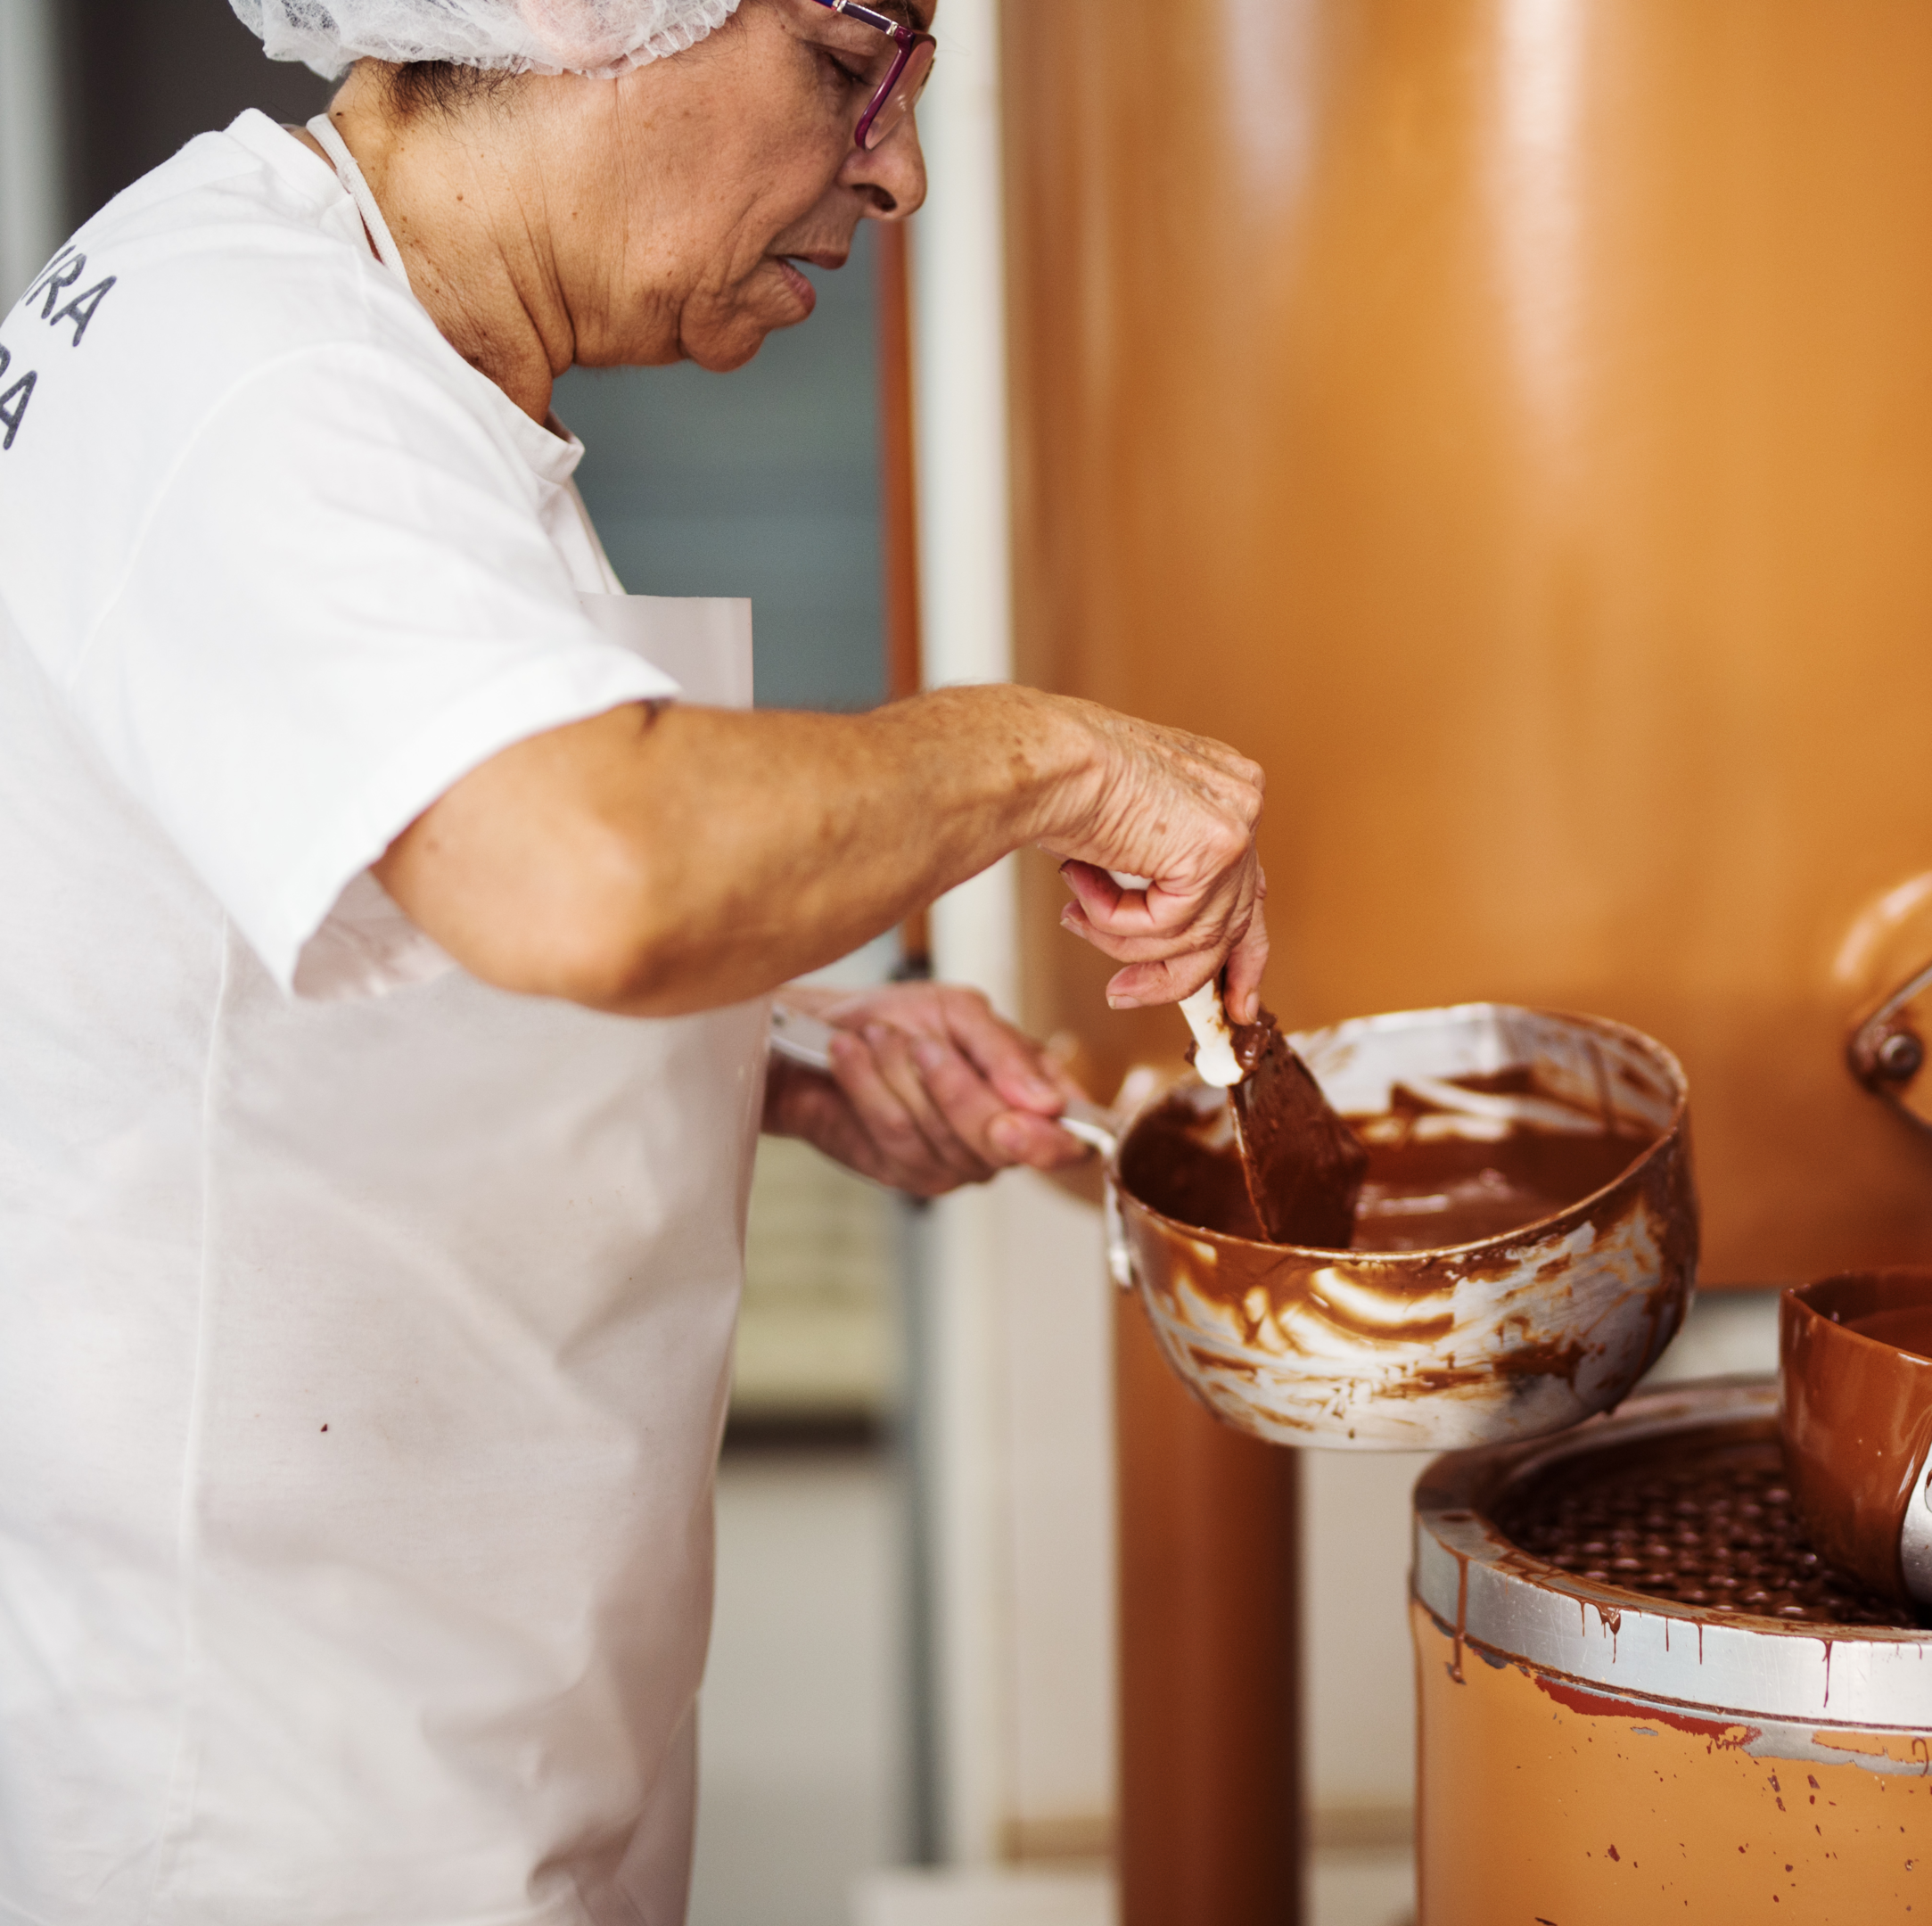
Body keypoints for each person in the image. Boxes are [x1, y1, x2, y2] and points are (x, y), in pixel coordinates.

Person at [0, 0, 1267, 1916]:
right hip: (282, 1800)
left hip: (464, 1711)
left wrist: (774, 1050)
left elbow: (321, 909)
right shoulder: (254, 372)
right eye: (853, 65)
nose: (902, 170)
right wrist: (1049, 753)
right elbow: (589, 865)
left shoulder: (376, 350)